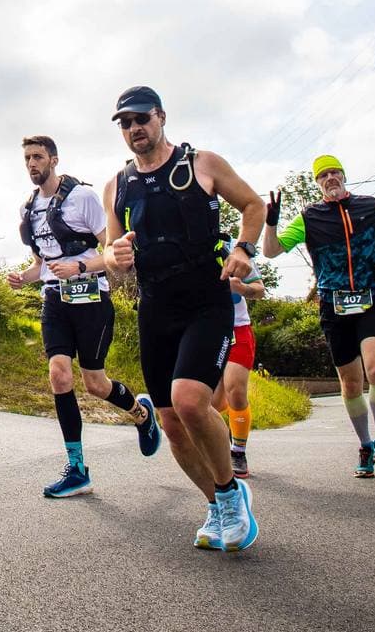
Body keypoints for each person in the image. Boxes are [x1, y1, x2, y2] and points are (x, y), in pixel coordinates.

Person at [100, 88, 264, 552]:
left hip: (206, 301)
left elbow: (254, 206)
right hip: (155, 308)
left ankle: (233, 495)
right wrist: (117, 255)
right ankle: (216, 504)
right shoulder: (117, 185)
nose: (134, 129)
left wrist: (243, 249)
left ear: (161, 117)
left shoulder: (202, 164)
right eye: (125, 123)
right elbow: (112, 253)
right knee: (171, 422)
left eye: (141, 119)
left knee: (190, 401)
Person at [5, 134, 160, 498]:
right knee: (59, 375)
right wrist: (22, 278)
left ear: (54, 160)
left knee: (95, 383)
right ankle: (77, 468)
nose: (32, 164)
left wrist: (77, 266)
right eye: (27, 158)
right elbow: (41, 264)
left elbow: (112, 252)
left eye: (38, 157)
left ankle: (140, 412)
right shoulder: (28, 208)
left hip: (91, 298)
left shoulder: (83, 198)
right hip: (54, 299)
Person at [263, 155, 375, 480]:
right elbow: (271, 251)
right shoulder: (309, 216)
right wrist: (271, 223)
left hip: (373, 298)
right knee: (351, 383)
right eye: (323, 175)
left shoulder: (370, 206)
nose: (330, 178)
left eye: (334, 172)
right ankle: (365, 445)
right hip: (334, 304)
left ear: (343, 175)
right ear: (318, 183)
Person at [213, 253, 265, 477]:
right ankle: (219, 439)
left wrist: (242, 289)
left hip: (237, 329)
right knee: (212, 402)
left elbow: (260, 289)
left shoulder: (234, 250)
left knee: (235, 389)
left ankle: (238, 451)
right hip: (206, 331)